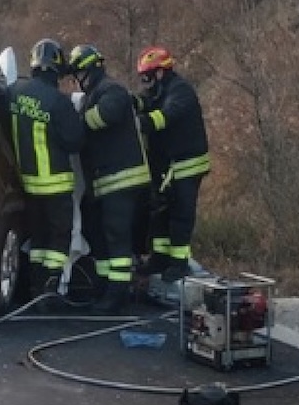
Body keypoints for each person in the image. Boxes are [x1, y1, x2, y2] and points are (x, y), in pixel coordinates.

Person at [69, 44, 151, 311]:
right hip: (107, 183)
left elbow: (108, 114)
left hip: (123, 180)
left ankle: (117, 294)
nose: (78, 80)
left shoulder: (111, 90)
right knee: (101, 234)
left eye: (80, 73)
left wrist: (79, 121)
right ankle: (104, 287)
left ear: (91, 69)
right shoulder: (96, 92)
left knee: (117, 237)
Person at [9, 39, 85, 310]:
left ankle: (32, 288)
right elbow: (75, 141)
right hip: (55, 184)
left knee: (38, 239)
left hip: (26, 185)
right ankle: (49, 291)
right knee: (56, 240)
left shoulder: (14, 92)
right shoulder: (58, 102)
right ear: (57, 69)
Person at [135, 46, 210, 282]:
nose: (145, 82)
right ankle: (159, 258)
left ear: (160, 73)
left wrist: (140, 123)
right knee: (160, 212)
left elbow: (167, 116)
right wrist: (128, 103)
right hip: (168, 165)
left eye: (147, 77)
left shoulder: (180, 91)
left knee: (180, 213)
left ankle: (178, 263)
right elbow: (144, 101)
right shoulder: (159, 91)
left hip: (187, 164)